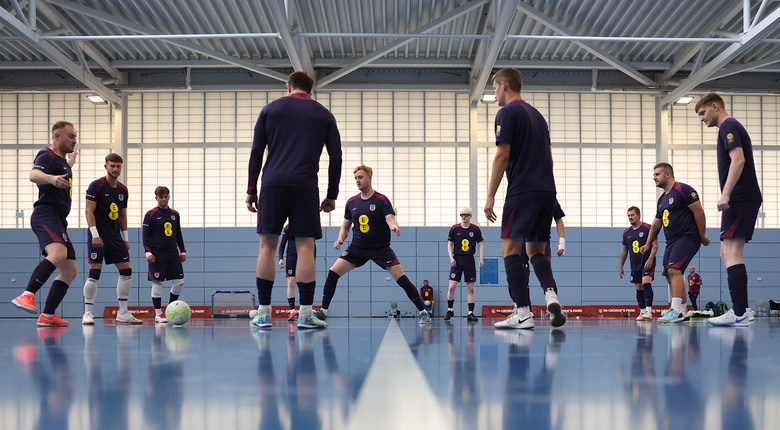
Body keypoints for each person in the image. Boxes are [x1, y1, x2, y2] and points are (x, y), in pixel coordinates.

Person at [246, 71, 342, 329]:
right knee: (305, 247)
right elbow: (336, 156)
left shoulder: (270, 109)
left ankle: (264, 313)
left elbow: (257, 150)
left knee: (266, 246)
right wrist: (332, 194)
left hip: (273, 183)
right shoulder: (324, 114)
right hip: (305, 187)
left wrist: (251, 189)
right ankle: (307, 314)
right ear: (311, 89)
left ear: (288, 86)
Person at [484, 67, 565, 329]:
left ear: (504, 85)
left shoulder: (506, 112)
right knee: (535, 250)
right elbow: (550, 159)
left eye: (494, 87)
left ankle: (523, 312)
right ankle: (550, 293)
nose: (494, 92)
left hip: (522, 189)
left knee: (509, 249)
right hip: (547, 191)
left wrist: (490, 196)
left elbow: (502, 155)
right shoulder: (539, 117)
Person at [314, 165, 431, 324]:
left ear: (370, 177)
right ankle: (323, 312)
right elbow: (345, 226)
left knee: (401, 279)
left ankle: (423, 312)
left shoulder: (381, 200)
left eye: (360, 177)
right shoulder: (351, 202)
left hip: (380, 249)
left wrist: (394, 226)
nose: (357, 181)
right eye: (355, 178)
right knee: (333, 272)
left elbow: (390, 218)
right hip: (357, 248)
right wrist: (340, 239)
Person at [695, 93, 762, 327]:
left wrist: (726, 193)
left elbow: (739, 160)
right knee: (726, 253)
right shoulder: (726, 128)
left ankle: (740, 312)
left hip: (740, 198)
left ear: (715, 106)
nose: (702, 118)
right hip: (740, 198)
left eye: (703, 113)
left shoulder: (728, 126)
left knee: (732, 253)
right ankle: (743, 309)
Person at [11, 121, 78, 327]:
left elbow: (61, 171)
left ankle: (48, 315)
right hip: (46, 214)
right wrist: (50, 178)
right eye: (71, 136)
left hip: (59, 219)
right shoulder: (46, 155)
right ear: (57, 136)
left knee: (70, 270)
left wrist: (71, 162)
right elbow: (34, 174)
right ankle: (26, 295)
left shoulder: (62, 161)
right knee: (58, 254)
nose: (75, 140)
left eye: (75, 136)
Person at [640, 163, 710, 323]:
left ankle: (675, 309)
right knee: (669, 275)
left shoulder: (683, 189)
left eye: (657, 174)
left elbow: (699, 211)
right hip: (671, 241)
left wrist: (702, 235)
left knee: (674, 270)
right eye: (654, 175)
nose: (654, 177)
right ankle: (683, 311)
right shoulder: (662, 199)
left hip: (687, 237)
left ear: (668, 174)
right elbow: (656, 224)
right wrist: (648, 243)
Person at [81, 153, 140, 325]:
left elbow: (123, 215)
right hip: (98, 236)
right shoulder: (96, 186)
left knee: (126, 271)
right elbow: (88, 211)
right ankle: (88, 313)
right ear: (105, 166)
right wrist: (95, 235)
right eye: (112, 165)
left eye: (118, 166)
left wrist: (125, 238)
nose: (115, 169)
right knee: (94, 273)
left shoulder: (123, 190)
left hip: (115, 237)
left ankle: (123, 312)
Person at [142, 186, 186, 324]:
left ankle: (169, 310)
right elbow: (145, 235)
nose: (163, 199)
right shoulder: (151, 214)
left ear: (169, 197)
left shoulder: (175, 214)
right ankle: (158, 313)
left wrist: (183, 250)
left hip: (173, 253)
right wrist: (147, 252)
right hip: (157, 254)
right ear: (156, 198)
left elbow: (178, 234)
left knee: (179, 283)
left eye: (166, 196)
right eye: (161, 197)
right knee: (158, 282)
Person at [619, 206, 658, 321]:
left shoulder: (648, 228)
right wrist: (621, 266)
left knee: (646, 283)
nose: (630, 217)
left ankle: (649, 311)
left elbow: (655, 246)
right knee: (638, 287)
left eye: (632, 215)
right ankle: (642, 312)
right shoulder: (626, 233)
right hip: (634, 263)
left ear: (639, 215)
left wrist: (650, 259)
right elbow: (624, 250)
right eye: (628, 216)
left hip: (647, 262)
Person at [445, 207, 484, 321]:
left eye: (466, 215)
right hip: (457, 259)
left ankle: (470, 313)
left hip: (469, 260)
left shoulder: (475, 229)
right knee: (451, 287)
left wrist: (481, 259)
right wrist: (451, 258)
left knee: (470, 289)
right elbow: (449, 244)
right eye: (462, 215)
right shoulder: (454, 229)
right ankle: (450, 310)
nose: (464, 217)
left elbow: (480, 244)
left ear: (470, 216)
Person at [277, 224, 316, 322]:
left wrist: (312, 260)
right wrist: (280, 258)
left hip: (304, 257)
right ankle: (292, 311)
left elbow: (312, 245)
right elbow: (282, 243)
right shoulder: (288, 227)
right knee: (291, 283)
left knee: (302, 284)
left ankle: (303, 311)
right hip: (291, 258)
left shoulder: (307, 224)